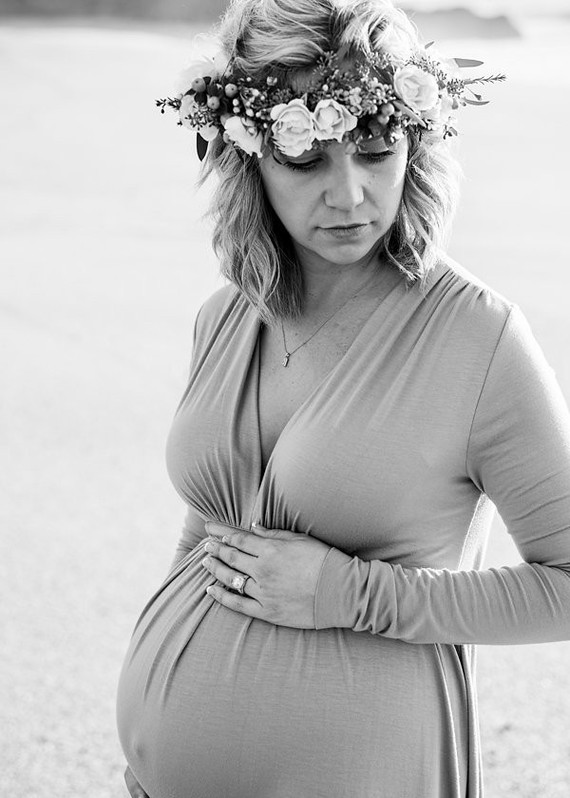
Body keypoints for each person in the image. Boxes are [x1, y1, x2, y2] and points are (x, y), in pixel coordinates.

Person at [116, 1, 570, 796]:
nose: (350, 196)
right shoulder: (225, 315)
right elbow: (215, 531)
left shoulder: (477, 337)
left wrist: (354, 595)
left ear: (415, 143)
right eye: (305, 159)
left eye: (376, 151)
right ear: (248, 155)